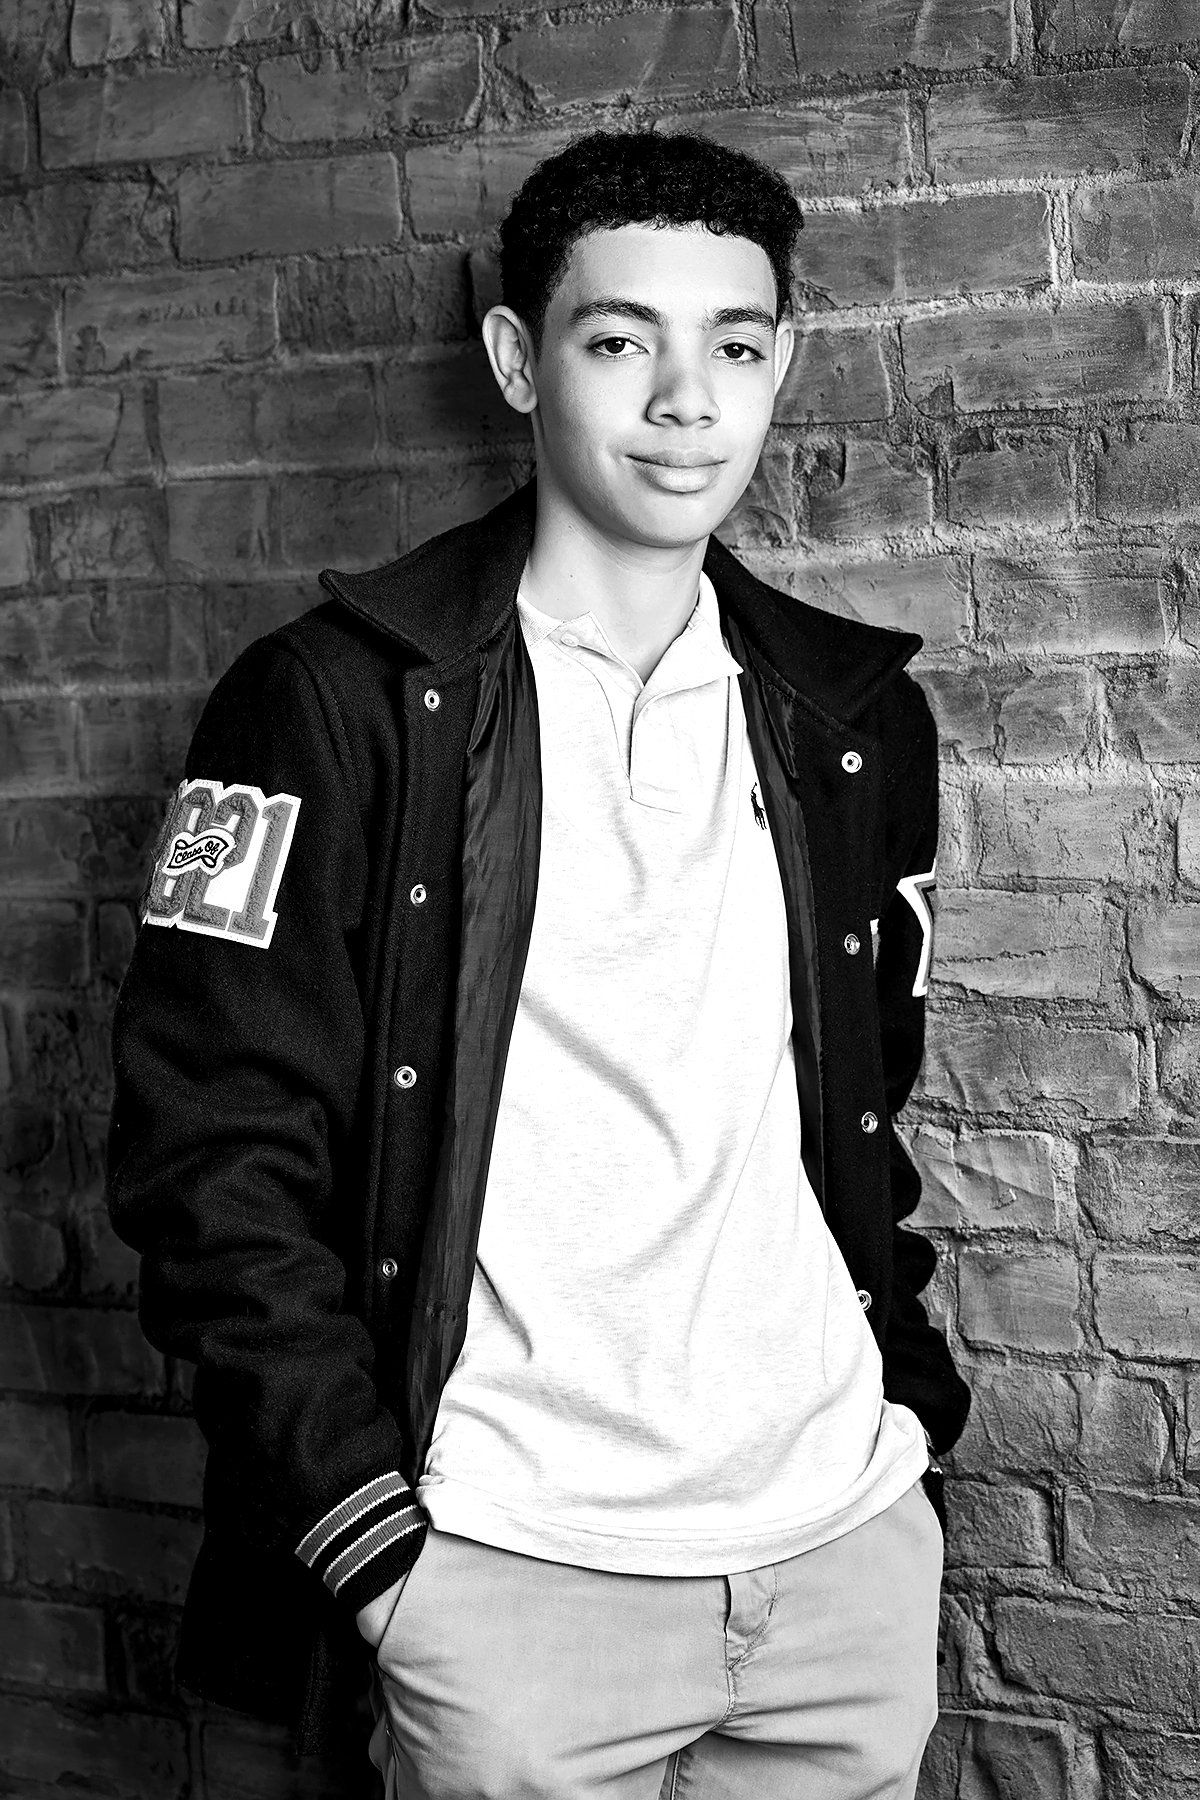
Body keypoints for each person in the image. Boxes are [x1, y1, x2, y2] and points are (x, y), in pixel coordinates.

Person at [107, 128, 971, 1800]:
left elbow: (865, 1108)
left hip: (837, 1566)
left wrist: (907, 1441)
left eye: (734, 345)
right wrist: (376, 1557)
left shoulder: (858, 725)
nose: (684, 402)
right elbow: (202, 1153)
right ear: (517, 361)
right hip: (505, 1587)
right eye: (618, 339)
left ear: (783, 361)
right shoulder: (323, 703)